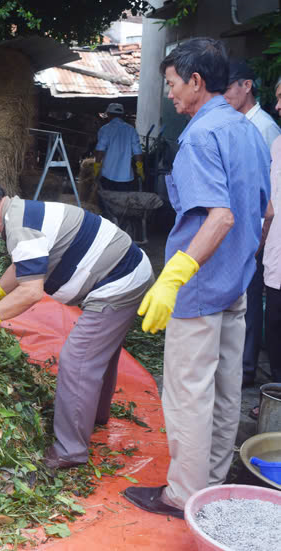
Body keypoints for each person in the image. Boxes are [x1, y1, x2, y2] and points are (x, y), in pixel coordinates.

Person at [123, 38, 271, 520]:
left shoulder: (201, 135)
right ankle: (211, 480)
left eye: (170, 84)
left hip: (202, 286)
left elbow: (220, 217)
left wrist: (173, 277)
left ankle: (182, 496)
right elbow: (263, 211)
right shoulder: (249, 130)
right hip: (237, 283)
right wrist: (243, 260)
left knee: (188, 393)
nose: (168, 94)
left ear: (196, 81)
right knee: (227, 389)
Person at [0, 172, 153, 471]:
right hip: (127, 270)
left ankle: (69, 450)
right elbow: (24, 264)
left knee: (78, 359)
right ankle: (94, 414)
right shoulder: (20, 212)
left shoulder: (20, 226)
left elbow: (30, 291)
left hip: (118, 282)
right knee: (101, 351)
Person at [223, 60, 281, 391]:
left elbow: (271, 197)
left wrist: (261, 236)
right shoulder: (240, 123)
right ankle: (241, 365)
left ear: (246, 86)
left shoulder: (266, 129)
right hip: (247, 226)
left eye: (230, 87)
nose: (225, 94)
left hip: (262, 230)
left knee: (253, 296)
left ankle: (247, 368)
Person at [263, 78, 281, 389]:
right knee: (276, 326)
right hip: (276, 250)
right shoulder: (278, 144)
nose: (277, 106)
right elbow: (270, 204)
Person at [93, 103, 144, 193]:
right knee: (123, 203)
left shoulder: (105, 129)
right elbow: (137, 151)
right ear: (122, 115)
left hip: (108, 176)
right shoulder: (131, 129)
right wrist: (140, 167)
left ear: (108, 114)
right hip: (126, 177)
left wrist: (96, 166)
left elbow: (100, 150)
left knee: (107, 203)